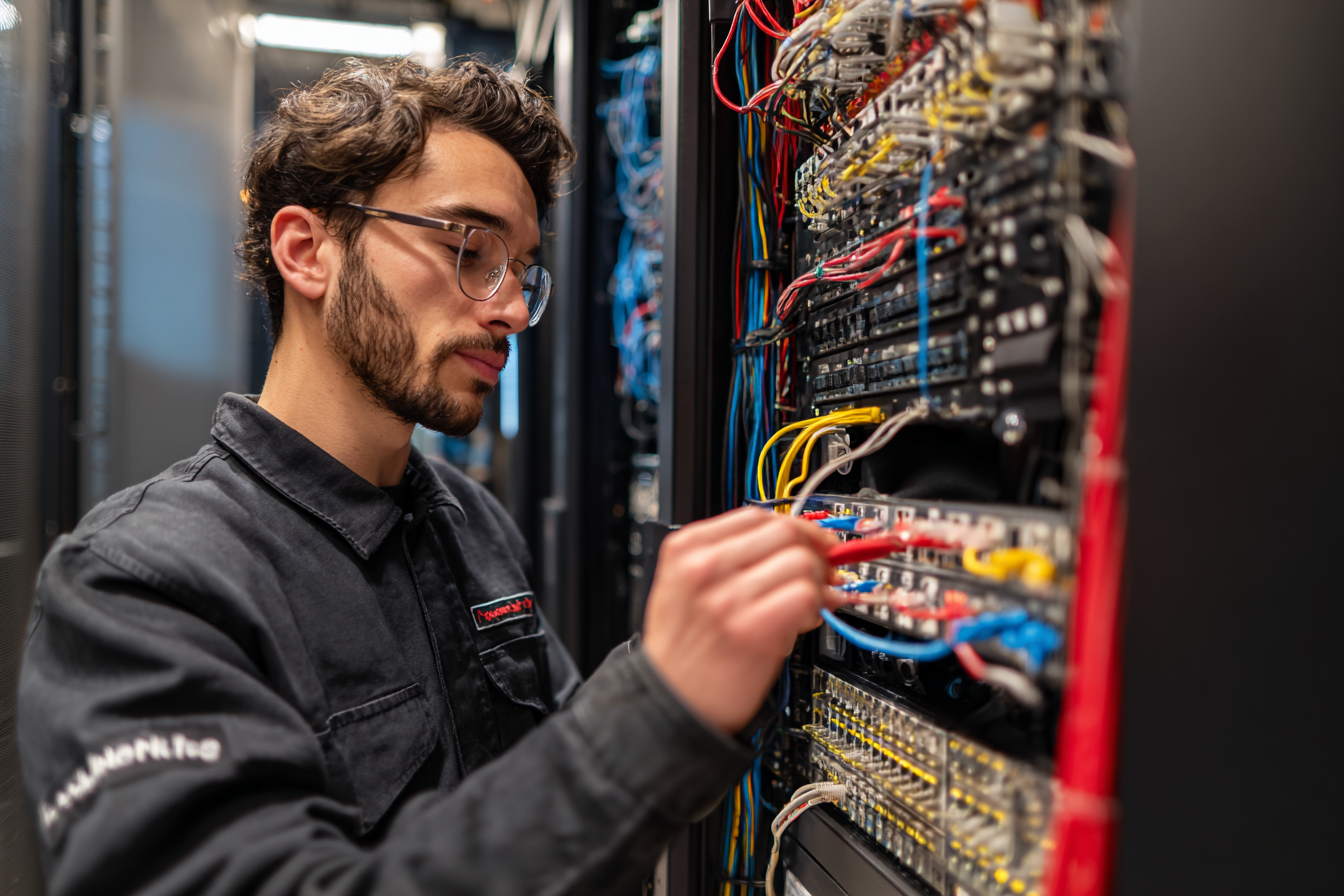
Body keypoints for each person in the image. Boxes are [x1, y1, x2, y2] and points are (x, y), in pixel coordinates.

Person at [18, 59, 841, 896]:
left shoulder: (469, 522)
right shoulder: (138, 584)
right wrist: (655, 708)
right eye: (469, 247)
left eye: (522, 268)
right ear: (307, 251)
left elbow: (554, 809)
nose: (512, 308)